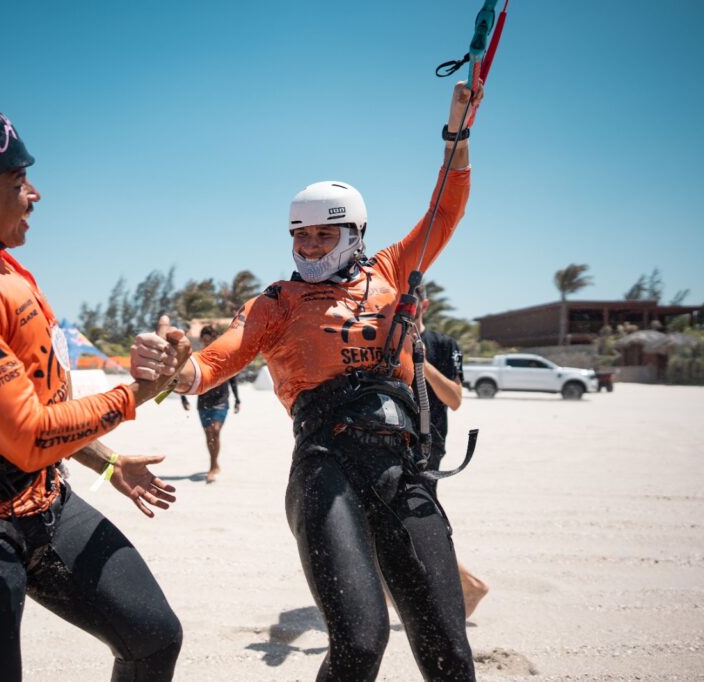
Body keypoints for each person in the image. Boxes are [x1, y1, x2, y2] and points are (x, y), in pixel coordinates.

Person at [169, 81, 482, 680]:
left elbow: (446, 208)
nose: (310, 246)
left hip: (403, 466)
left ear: (354, 235)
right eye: (300, 235)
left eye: (324, 235)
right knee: (361, 644)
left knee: (450, 652)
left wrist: (458, 133)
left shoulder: (392, 270)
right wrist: (178, 371)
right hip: (325, 464)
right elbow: (213, 363)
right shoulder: (277, 302)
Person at [0, 94, 190, 681]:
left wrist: (105, 462)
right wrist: (136, 395)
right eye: (17, 178)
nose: (34, 193)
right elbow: (24, 433)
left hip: (44, 500)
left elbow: (30, 403)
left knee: (152, 638)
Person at [414, 285, 489, 619]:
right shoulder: (381, 340)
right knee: (396, 516)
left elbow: (455, 399)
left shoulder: (443, 345)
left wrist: (420, 361)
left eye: (409, 303)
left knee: (417, 517)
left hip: (427, 444)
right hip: (389, 441)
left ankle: (469, 585)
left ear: (423, 304)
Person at [180, 326, 241, 483]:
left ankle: (213, 466)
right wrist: (183, 398)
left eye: (210, 340)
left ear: (215, 339)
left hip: (221, 400)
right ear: (201, 340)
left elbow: (232, 378)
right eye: (204, 341)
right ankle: (214, 463)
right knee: (209, 435)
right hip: (203, 402)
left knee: (215, 430)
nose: (207, 343)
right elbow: (185, 378)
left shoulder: (223, 356)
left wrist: (237, 399)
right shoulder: (197, 357)